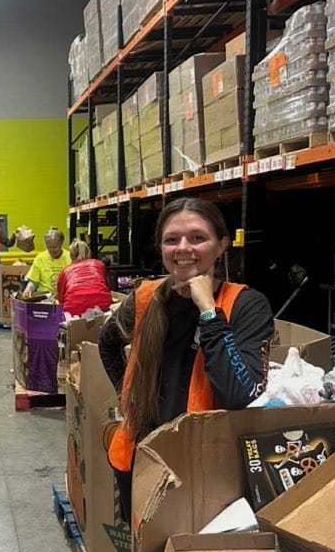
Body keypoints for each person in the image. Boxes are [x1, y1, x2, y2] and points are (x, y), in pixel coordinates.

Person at [98, 197, 273, 517]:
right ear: (160, 247)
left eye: (197, 238)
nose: (183, 248)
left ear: (221, 246)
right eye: (171, 239)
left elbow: (240, 394)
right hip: (140, 459)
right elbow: (107, 343)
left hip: (206, 472)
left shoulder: (245, 305)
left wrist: (208, 312)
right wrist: (129, 398)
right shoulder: (145, 298)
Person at [56, 239, 113, 317]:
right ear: (89, 253)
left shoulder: (65, 271)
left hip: (73, 309)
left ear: (71, 255)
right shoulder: (99, 264)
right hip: (103, 305)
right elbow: (108, 288)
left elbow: (61, 300)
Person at [22, 227, 70, 297]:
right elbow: (33, 281)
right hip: (44, 296)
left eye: (55, 247)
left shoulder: (69, 257)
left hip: (65, 296)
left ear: (61, 243)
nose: (52, 250)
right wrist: (28, 289)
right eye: (49, 247)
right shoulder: (40, 258)